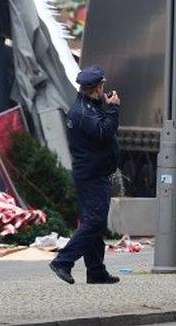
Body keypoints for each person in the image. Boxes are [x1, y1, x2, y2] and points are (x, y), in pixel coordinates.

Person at [49, 66, 121, 285]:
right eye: (102, 87)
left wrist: (106, 105)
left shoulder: (88, 106)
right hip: (92, 175)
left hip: (94, 173)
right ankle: (63, 261)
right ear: (96, 87)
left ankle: (96, 271)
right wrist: (114, 109)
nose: (104, 90)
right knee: (94, 223)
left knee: (94, 224)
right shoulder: (82, 113)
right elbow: (104, 131)